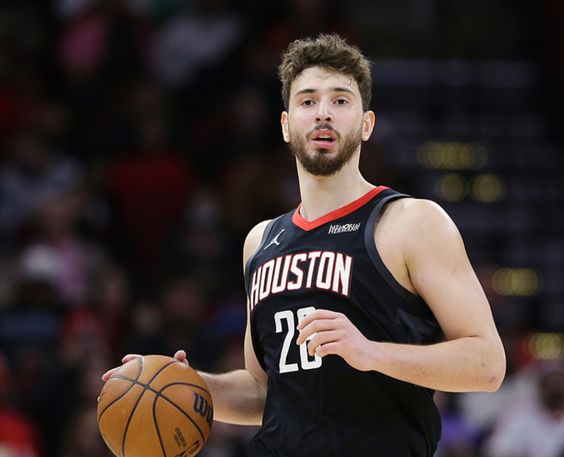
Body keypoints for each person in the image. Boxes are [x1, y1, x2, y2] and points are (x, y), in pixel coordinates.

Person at [102, 33, 506, 457]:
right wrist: (186, 385)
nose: (323, 113)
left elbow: (487, 364)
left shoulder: (410, 222)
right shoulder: (260, 242)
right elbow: (265, 391)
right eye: (308, 101)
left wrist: (371, 353)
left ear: (366, 124)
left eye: (340, 100)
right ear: (285, 125)